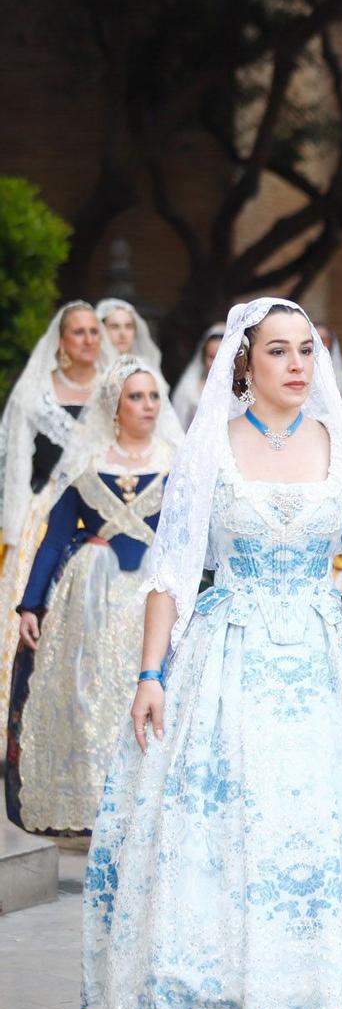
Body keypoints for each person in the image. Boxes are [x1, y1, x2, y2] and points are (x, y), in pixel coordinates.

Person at [84, 298, 342, 1009]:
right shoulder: (208, 449)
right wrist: (152, 674)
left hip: (329, 654)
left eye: (307, 351)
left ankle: (310, 999)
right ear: (244, 363)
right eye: (279, 351)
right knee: (244, 828)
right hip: (233, 652)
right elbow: (173, 572)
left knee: (321, 827)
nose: (297, 364)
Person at [13, 357, 180, 833]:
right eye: (136, 396)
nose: (148, 406)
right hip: (95, 603)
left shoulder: (177, 462)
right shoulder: (88, 465)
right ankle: (97, 807)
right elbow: (54, 534)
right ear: (113, 405)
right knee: (94, 701)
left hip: (154, 601)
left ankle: (149, 806)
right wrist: (32, 603)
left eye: (153, 396)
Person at [0, 302, 104, 813]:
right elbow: (18, 461)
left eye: (93, 332)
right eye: (77, 333)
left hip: (104, 523)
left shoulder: (116, 389)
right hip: (48, 516)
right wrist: (14, 530)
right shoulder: (37, 395)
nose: (87, 340)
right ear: (60, 340)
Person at [172, 326, 227, 428]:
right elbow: (178, 427)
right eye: (211, 357)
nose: (216, 363)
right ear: (203, 358)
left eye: (222, 356)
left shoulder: (245, 390)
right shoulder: (189, 389)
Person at [94, 299, 161, 369]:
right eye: (114, 327)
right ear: (102, 329)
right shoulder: (93, 369)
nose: (123, 334)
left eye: (129, 326)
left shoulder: (145, 368)